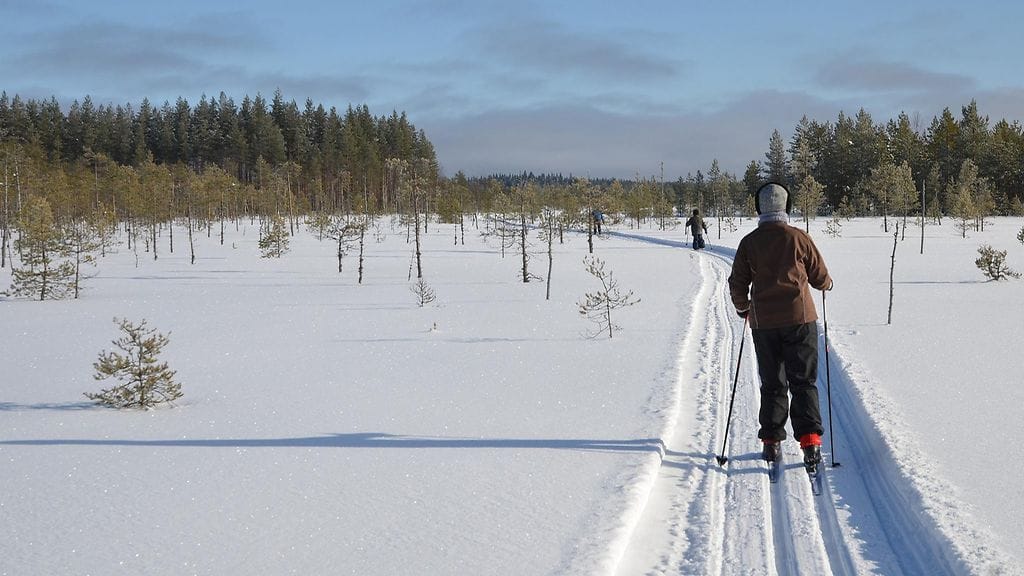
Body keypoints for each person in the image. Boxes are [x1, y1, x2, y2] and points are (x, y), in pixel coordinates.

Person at [727, 182, 833, 471]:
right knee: (803, 381)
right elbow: (819, 276)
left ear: (759, 208)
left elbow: (737, 283)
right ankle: (810, 442)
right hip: (800, 319)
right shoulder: (798, 237)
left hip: (764, 323)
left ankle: (771, 442)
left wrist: (743, 308)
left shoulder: (749, 242)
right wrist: (827, 284)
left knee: (773, 382)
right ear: (787, 207)